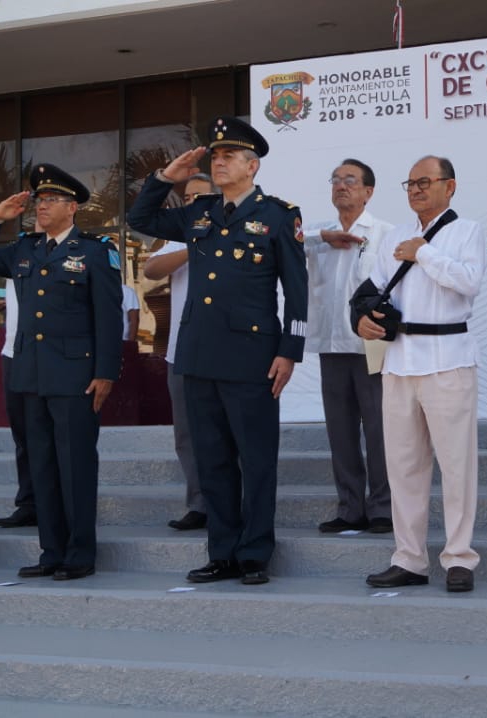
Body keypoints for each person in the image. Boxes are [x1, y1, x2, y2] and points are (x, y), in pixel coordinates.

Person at [127, 116, 307, 587]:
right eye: (216, 156)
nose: (219, 161)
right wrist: (167, 178)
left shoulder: (278, 215)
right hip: (199, 354)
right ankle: (222, 552)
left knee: (256, 457)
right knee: (213, 459)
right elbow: (140, 220)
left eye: (229, 156)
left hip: (253, 357)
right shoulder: (199, 212)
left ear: (252, 165)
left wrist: (290, 351)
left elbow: (298, 291)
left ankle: (254, 554)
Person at [0, 163, 124, 581]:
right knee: (43, 466)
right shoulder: (25, 248)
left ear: (72, 207)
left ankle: (80, 554)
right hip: (30, 376)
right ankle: (51, 552)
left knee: (75, 466)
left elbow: (109, 317)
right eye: (39, 200)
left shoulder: (94, 250)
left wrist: (106, 371)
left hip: (76, 376)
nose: (41, 206)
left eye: (51, 200)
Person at [359, 155, 484, 593]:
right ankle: (409, 557)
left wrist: (424, 253)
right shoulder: (395, 235)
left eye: (425, 182)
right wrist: (362, 318)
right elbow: (370, 290)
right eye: (410, 183)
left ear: (449, 186)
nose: (415, 189)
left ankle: (459, 557)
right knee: (404, 467)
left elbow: (469, 282)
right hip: (400, 359)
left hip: (448, 358)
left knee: (456, 466)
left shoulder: (467, 231)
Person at [306, 159, 395, 534]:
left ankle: (383, 508)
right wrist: (323, 239)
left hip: (370, 349)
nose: (342, 186)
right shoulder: (317, 234)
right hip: (331, 345)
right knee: (339, 432)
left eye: (351, 181)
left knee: (379, 431)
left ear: (368, 191)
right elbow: (285, 241)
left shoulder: (385, 233)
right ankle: (349, 508)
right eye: (336, 180)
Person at [144, 172, 214, 531]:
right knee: (186, 434)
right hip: (180, 352)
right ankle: (199, 503)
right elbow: (150, 268)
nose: (191, 204)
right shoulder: (181, 235)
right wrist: (192, 245)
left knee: (224, 433)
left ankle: (228, 501)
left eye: (198, 197)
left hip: (221, 353)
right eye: (186, 199)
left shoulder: (229, 228)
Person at [0, 279, 36, 528]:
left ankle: (61, 504)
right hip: (13, 354)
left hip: (53, 355)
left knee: (55, 437)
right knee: (23, 436)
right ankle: (29, 505)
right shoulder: (15, 255)